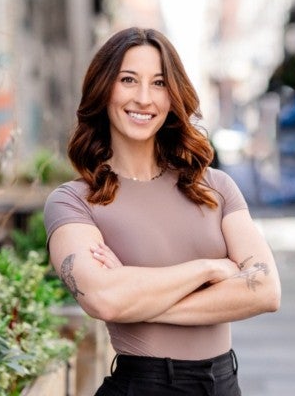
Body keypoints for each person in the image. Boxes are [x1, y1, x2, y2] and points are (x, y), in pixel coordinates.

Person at [43, 27, 281, 396]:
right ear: (103, 88)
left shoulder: (214, 187)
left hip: (224, 384)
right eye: (128, 80)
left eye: (158, 83)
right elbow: (104, 298)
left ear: (173, 96)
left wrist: (134, 299)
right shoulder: (73, 201)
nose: (143, 98)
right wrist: (211, 268)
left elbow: (265, 290)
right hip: (143, 385)